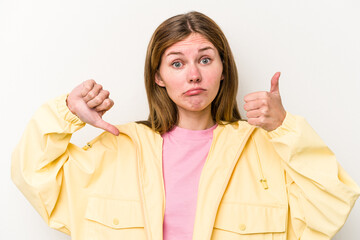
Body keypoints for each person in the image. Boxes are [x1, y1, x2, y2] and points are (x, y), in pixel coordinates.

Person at [11, 11, 359, 240]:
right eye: (177, 63)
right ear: (158, 77)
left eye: (205, 59)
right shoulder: (118, 146)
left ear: (223, 69)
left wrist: (285, 128)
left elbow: (332, 205)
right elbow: (34, 175)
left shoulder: (263, 147)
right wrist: (66, 113)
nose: (193, 74)